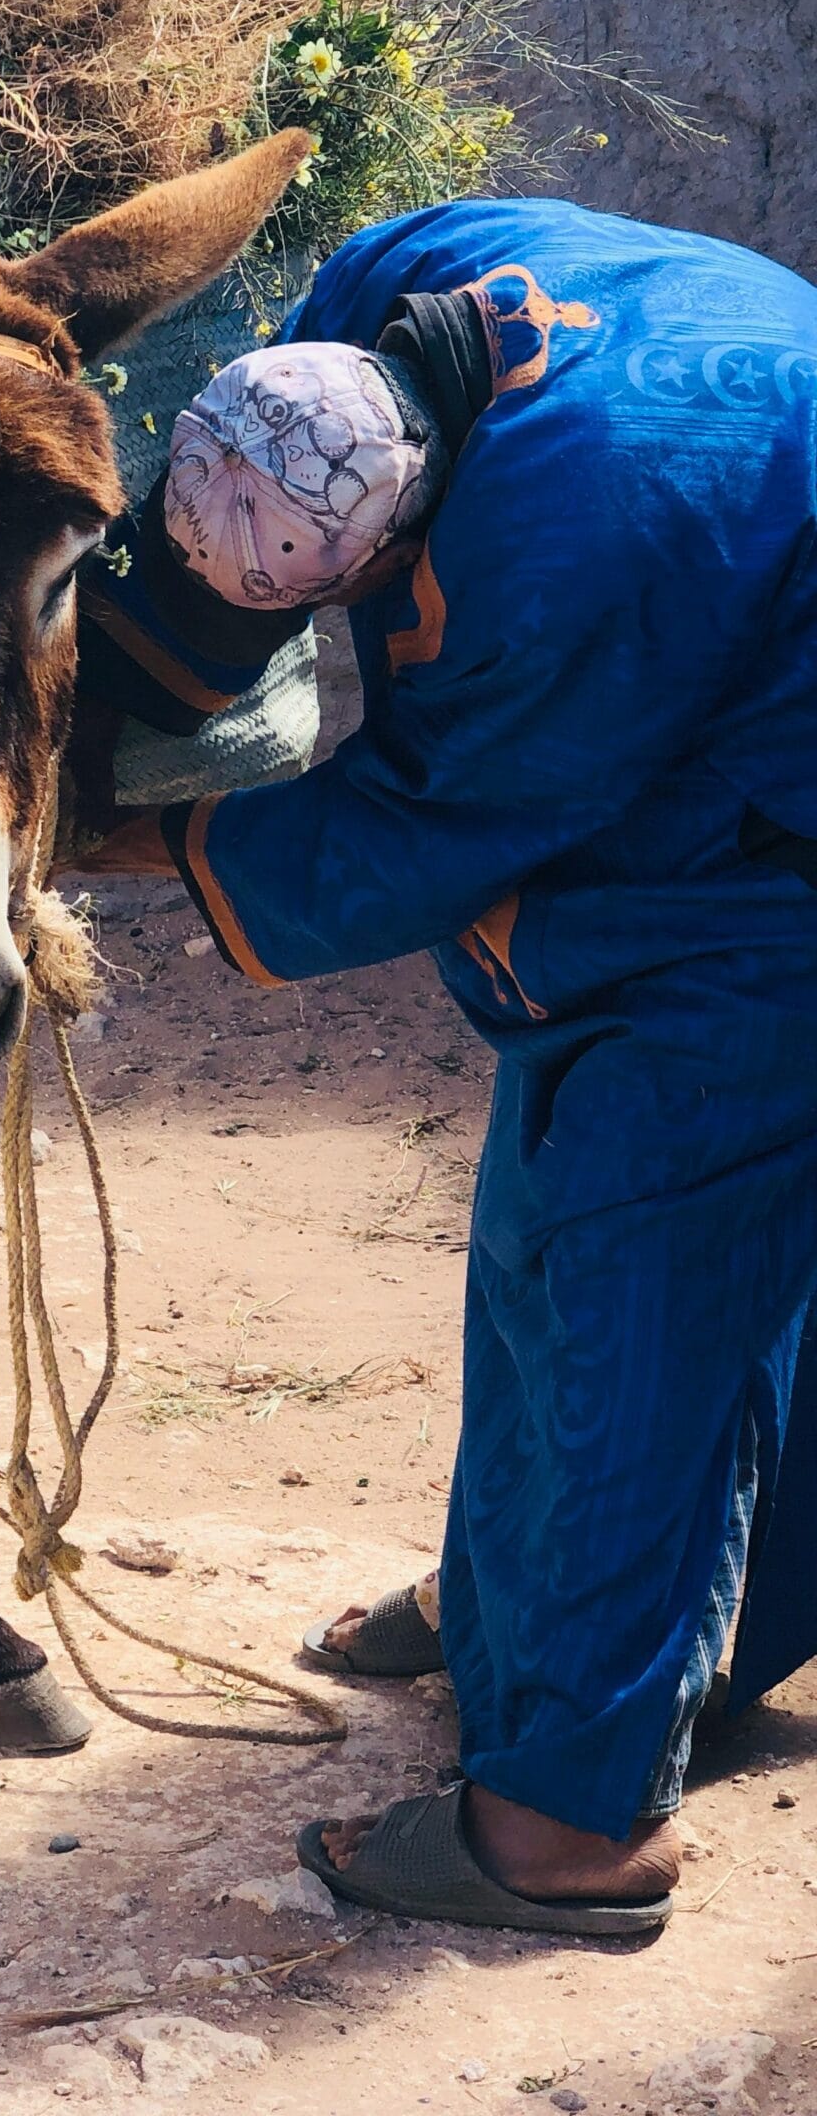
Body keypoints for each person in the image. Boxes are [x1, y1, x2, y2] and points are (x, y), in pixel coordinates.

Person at [75, 196, 817, 1936]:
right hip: (740, 636)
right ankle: (542, 1633)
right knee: (552, 1247)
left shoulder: (571, 564)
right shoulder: (400, 272)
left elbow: (438, 824)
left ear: (401, 532)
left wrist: (122, 845)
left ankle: (569, 1830)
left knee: (647, 1284)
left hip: (770, 856)